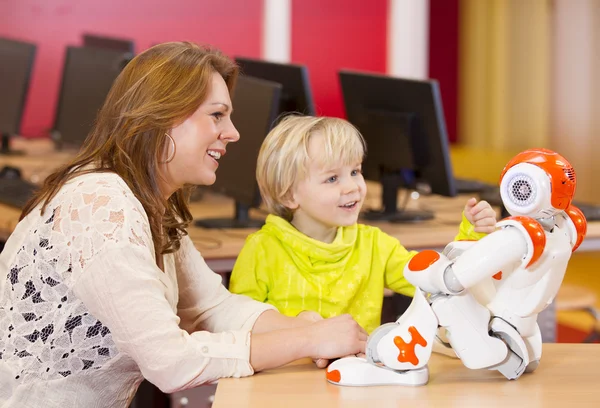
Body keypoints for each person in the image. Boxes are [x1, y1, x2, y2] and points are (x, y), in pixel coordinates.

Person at [0, 42, 367, 408]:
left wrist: (310, 331)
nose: (233, 133)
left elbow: (211, 308)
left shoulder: (149, 202)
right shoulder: (102, 207)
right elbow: (171, 363)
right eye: (217, 115)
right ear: (164, 117)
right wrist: (308, 341)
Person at [229, 115, 497, 335]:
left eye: (355, 171)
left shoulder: (375, 245)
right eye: (332, 179)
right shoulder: (261, 251)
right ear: (289, 195)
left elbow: (435, 283)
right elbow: (240, 326)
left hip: (357, 381)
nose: (352, 187)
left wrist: (471, 234)